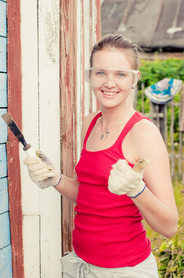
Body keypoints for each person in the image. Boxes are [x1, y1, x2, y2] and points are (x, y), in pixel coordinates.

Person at [23, 34, 178, 278]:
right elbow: (91, 196)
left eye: (120, 74)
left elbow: (169, 226)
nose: (109, 82)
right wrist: (55, 179)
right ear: (90, 76)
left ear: (134, 80)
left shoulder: (143, 132)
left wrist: (136, 190)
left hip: (125, 271)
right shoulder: (90, 123)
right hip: (81, 266)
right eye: (100, 73)